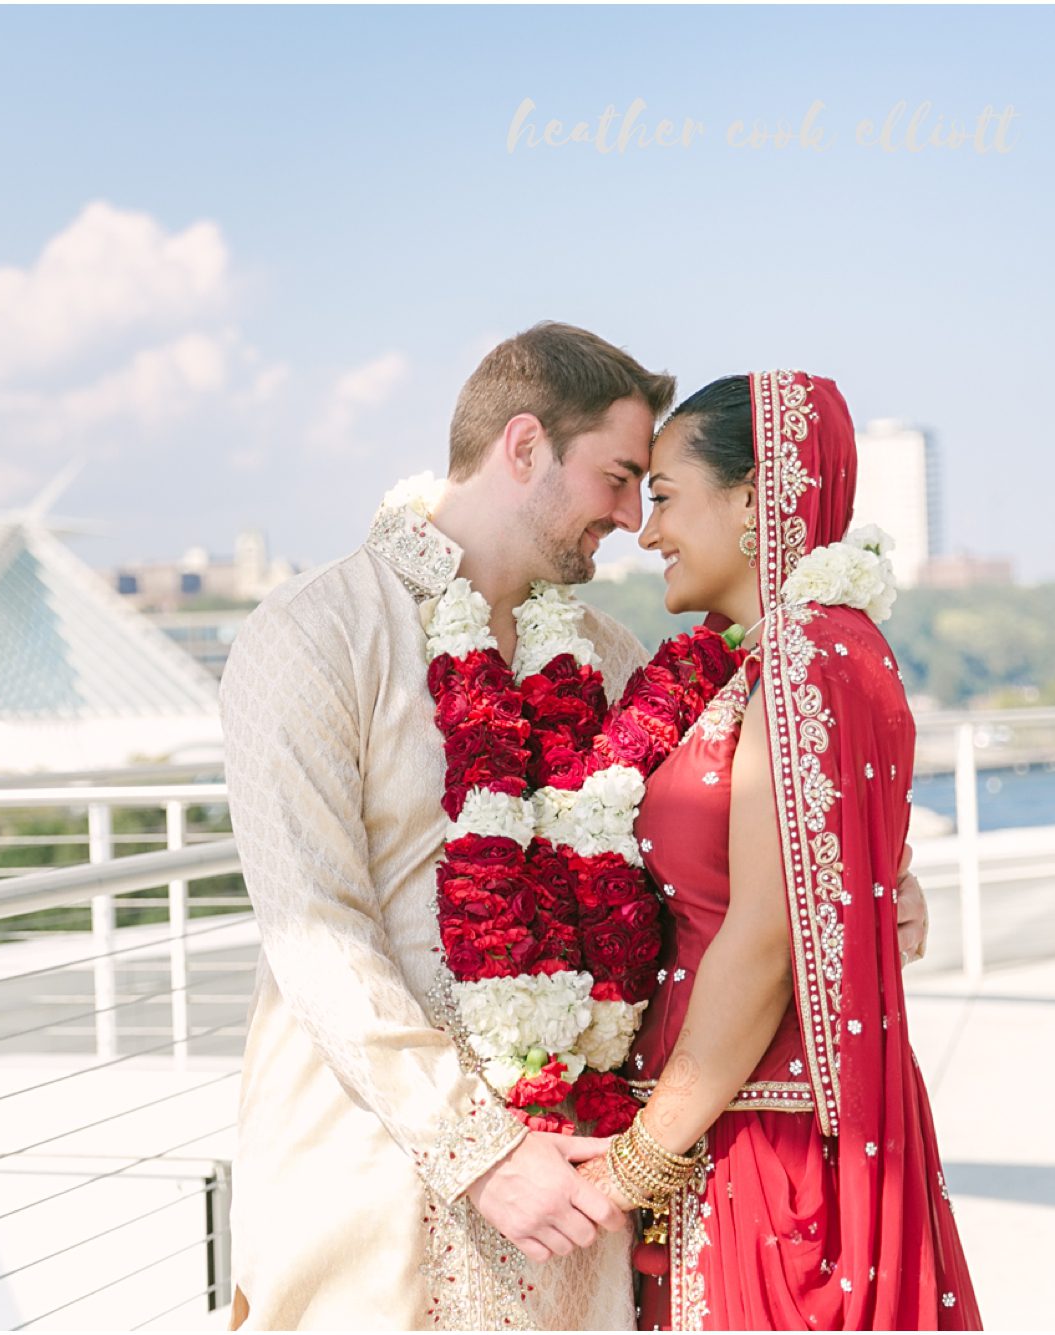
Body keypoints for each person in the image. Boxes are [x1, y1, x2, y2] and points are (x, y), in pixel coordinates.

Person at [218, 327, 933, 1329]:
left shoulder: (607, 654)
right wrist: (477, 1151)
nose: (632, 517)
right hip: (372, 1188)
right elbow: (315, 934)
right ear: (522, 448)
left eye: (650, 487)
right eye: (615, 476)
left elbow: (747, 825)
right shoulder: (313, 633)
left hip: (574, 1204)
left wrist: (870, 877)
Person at [593, 371, 979, 1330]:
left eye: (668, 498)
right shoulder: (799, 654)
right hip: (744, 1130)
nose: (647, 532)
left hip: (765, 1149)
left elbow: (763, 937)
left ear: (758, 499)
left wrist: (634, 1162)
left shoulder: (810, 655)